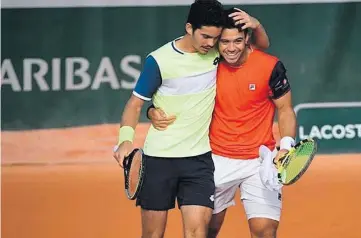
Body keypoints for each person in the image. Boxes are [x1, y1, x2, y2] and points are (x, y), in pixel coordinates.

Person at [113, 1, 271, 238]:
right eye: (205, 36)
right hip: (159, 159)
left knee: (198, 232)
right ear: (189, 28)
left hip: (199, 160)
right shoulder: (158, 60)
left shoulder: (217, 51)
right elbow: (135, 104)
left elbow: (259, 47)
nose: (210, 43)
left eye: (215, 37)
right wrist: (126, 139)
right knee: (153, 234)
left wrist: (256, 25)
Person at [148, 8, 297, 238]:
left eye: (238, 40)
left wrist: (286, 145)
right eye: (224, 41)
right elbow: (174, 91)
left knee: (265, 231)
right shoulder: (208, 64)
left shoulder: (270, 66)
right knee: (207, 231)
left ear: (247, 39)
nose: (231, 48)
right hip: (215, 160)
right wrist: (151, 111)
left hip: (259, 160)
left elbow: (285, 109)